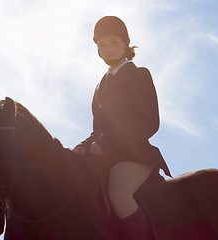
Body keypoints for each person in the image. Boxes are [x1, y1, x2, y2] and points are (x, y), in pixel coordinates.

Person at [73, 16, 171, 240]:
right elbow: (98, 131)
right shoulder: (100, 85)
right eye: (101, 44)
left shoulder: (139, 74)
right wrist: (80, 148)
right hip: (107, 158)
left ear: (126, 43)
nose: (107, 49)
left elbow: (148, 122)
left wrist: (107, 142)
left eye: (113, 42)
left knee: (118, 193)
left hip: (135, 156)